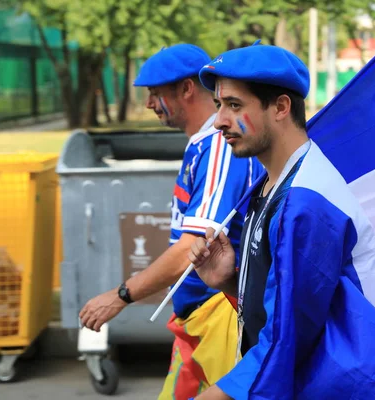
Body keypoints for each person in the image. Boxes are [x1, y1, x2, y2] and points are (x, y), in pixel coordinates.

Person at [186, 43, 375, 400]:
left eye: (235, 105)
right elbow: (289, 313)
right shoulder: (272, 185)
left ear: (281, 107)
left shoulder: (305, 202)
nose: (220, 120)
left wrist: (214, 397)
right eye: (219, 105)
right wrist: (230, 282)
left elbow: (289, 338)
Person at [78, 44, 263, 399]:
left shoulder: (218, 149)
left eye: (154, 93)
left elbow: (193, 248)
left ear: (186, 89)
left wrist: (121, 296)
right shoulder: (203, 145)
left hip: (219, 316)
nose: (149, 104)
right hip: (198, 317)